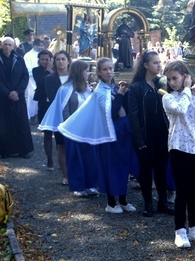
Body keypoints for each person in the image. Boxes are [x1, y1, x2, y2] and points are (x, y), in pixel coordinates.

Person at [59, 58, 135, 213]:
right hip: (109, 134)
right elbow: (111, 113)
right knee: (111, 166)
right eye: (105, 69)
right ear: (99, 72)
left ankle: (123, 199)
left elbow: (123, 108)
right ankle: (111, 202)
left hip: (121, 131)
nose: (109, 72)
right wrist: (120, 95)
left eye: (111, 68)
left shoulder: (112, 88)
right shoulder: (100, 91)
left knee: (123, 166)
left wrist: (123, 93)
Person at [162, 61, 195, 248]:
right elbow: (180, 109)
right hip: (179, 148)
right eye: (169, 79)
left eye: (175, 78)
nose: (172, 82)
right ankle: (180, 230)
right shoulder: (168, 98)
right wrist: (188, 90)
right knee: (182, 190)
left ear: (185, 76)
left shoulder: (193, 95)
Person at [126, 50, 175, 217]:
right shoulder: (136, 88)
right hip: (145, 135)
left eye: (159, 62)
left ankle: (162, 202)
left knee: (161, 169)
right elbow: (133, 115)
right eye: (155, 63)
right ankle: (148, 203)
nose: (159, 65)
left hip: (162, 134)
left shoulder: (162, 85)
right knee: (146, 170)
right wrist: (139, 140)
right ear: (146, 65)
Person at [47, 60, 94, 197]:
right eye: (86, 71)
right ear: (79, 72)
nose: (88, 73)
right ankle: (78, 186)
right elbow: (64, 110)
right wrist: (71, 127)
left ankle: (89, 184)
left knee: (88, 158)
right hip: (73, 129)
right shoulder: (65, 89)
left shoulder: (87, 88)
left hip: (87, 129)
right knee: (75, 158)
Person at [0, 37, 33, 159]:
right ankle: (4, 151)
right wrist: (7, 93)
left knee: (21, 123)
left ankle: (23, 150)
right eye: (5, 44)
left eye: (9, 45)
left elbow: (25, 76)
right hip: (3, 97)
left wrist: (17, 92)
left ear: (13, 47)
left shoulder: (19, 59)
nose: (7, 47)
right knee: (3, 125)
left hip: (18, 97)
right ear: (1, 45)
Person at [40, 50, 71, 181]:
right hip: (59, 115)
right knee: (61, 145)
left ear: (68, 61)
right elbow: (53, 98)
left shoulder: (74, 77)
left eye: (63, 59)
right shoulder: (49, 79)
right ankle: (65, 175)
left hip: (74, 114)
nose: (61, 62)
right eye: (58, 59)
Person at [32, 50, 53, 125]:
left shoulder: (56, 70)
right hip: (42, 98)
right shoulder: (36, 70)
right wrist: (47, 71)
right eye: (42, 59)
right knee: (43, 122)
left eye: (47, 59)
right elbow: (40, 83)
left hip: (53, 98)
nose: (44, 62)